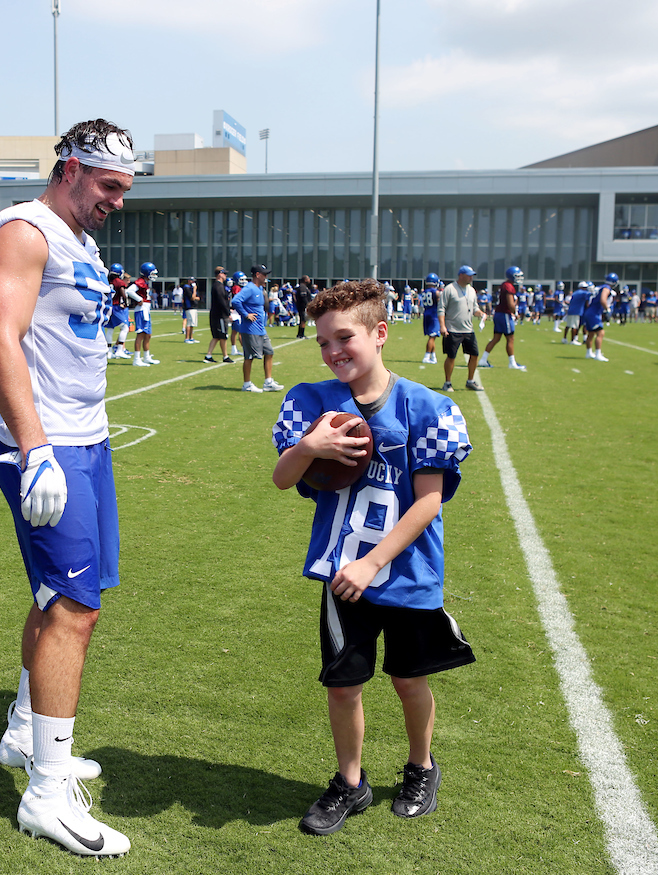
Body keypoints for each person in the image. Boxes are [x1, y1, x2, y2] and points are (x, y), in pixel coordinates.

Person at [0, 118, 134, 857]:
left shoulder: (82, 239)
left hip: (88, 438)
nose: (118, 201)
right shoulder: (24, 230)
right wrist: (35, 448)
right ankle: (46, 791)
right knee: (73, 609)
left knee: (63, 599)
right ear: (69, 168)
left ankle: (23, 728)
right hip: (50, 447)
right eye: (109, 185)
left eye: (125, 188)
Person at [271, 278, 475, 836]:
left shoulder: (427, 406)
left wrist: (373, 562)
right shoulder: (311, 402)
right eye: (322, 343)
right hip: (341, 570)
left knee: (409, 680)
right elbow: (282, 479)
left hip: (404, 571)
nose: (333, 351)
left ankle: (421, 766)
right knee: (343, 684)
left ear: (379, 333)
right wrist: (308, 448)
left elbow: (429, 500)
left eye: (344, 338)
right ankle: (351, 782)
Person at [233, 263, 282, 393]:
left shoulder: (260, 289)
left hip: (261, 328)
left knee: (269, 352)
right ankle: (247, 384)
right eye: (264, 274)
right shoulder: (249, 288)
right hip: (250, 329)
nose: (266, 277)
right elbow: (235, 301)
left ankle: (268, 382)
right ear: (257, 275)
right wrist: (245, 314)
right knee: (249, 356)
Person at [438, 266, 487, 391]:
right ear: (461, 275)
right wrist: (442, 326)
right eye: (469, 275)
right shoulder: (449, 289)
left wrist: (481, 314)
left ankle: (470, 381)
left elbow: (474, 308)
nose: (471, 277)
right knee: (451, 356)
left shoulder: (472, 290)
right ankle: (447, 382)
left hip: (468, 329)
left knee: (475, 354)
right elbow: (441, 309)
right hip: (452, 329)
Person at [479, 266, 526, 371]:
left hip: (499, 314)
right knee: (510, 338)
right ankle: (512, 363)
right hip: (505, 314)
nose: (519, 278)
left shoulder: (504, 285)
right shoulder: (509, 286)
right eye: (517, 276)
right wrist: (515, 313)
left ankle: (483, 359)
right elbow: (510, 303)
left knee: (496, 338)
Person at [127, 262, 159, 366]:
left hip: (145, 309)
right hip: (141, 310)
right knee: (141, 334)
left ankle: (146, 356)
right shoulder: (140, 282)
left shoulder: (145, 282)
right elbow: (129, 291)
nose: (154, 276)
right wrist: (139, 299)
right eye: (152, 273)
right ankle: (136, 359)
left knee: (148, 335)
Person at [203, 266, 235, 363]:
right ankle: (225, 356)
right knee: (223, 336)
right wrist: (228, 313)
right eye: (224, 273)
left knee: (216, 336)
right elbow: (222, 302)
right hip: (220, 316)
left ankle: (208, 355)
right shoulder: (218, 286)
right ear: (220, 274)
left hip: (217, 315)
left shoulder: (218, 286)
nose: (225, 275)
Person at [583, 273, 614, 362]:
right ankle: (598, 354)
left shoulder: (600, 287)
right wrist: (607, 309)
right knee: (600, 333)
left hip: (589, 311)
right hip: (594, 312)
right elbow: (603, 300)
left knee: (591, 333)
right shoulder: (606, 288)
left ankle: (588, 353)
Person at [105, 263, 132, 358]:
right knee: (125, 327)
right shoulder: (119, 282)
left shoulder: (107, 281)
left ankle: (108, 352)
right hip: (116, 306)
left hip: (109, 306)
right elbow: (123, 294)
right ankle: (119, 350)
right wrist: (126, 303)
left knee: (110, 329)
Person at [419, 272, 442, 364]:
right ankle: (426, 356)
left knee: (432, 336)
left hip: (426, 314)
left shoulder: (424, 292)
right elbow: (440, 301)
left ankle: (433, 357)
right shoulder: (435, 292)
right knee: (432, 337)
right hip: (434, 315)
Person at [182, 278, 199, 343]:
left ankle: (191, 337)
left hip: (193, 307)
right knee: (189, 323)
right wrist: (194, 290)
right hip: (189, 307)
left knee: (193, 323)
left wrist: (195, 297)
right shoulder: (187, 288)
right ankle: (186, 338)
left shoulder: (191, 288)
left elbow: (197, 297)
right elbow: (192, 298)